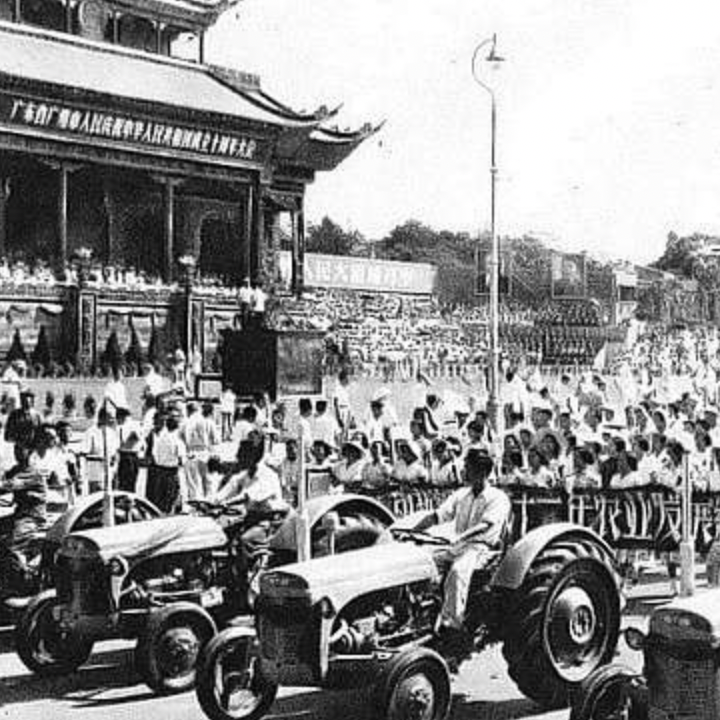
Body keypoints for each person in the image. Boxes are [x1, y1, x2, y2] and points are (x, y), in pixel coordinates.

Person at [411, 449, 511, 645]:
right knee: (423, 562)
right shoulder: (461, 494)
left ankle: (452, 625)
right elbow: (437, 516)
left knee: (458, 572)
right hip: (458, 545)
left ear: (483, 472)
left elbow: (485, 525)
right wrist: (413, 532)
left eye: (468, 468)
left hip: (481, 548)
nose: (464, 472)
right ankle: (417, 614)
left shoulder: (498, 498)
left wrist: (460, 538)